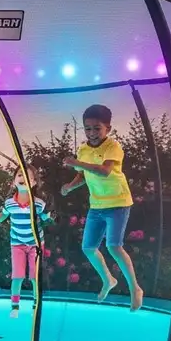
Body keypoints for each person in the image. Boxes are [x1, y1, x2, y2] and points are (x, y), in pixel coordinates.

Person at [61, 104, 144, 312]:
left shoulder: (112, 147)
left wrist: (75, 162)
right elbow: (83, 174)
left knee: (114, 246)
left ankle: (135, 288)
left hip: (118, 203)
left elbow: (105, 171)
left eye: (97, 128)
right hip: (97, 205)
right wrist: (70, 186)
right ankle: (108, 279)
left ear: (108, 128)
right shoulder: (83, 149)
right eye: (87, 129)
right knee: (88, 247)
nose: (92, 133)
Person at [0, 164, 54, 318]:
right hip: (17, 244)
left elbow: (44, 217)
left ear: (33, 183)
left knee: (35, 276)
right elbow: (2, 215)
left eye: (27, 177)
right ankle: (15, 306)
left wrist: (48, 217)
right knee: (17, 276)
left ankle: (36, 303)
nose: (23, 178)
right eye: (20, 175)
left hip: (35, 245)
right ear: (13, 181)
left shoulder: (38, 203)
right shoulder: (10, 203)